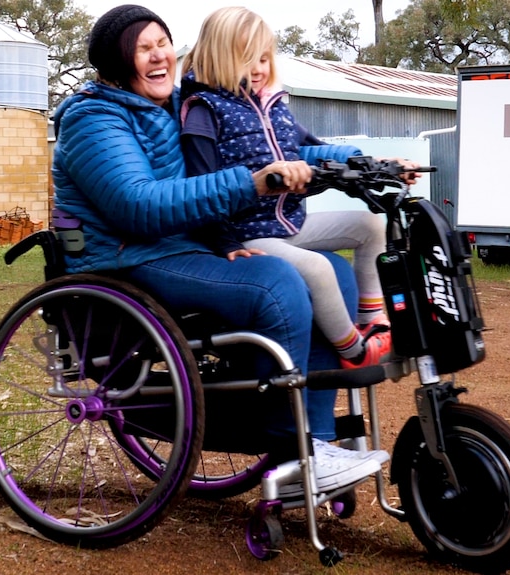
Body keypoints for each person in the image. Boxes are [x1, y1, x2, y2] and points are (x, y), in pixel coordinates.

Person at [51, 4, 387, 494]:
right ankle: (292, 446)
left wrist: (355, 162)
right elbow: (138, 206)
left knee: (332, 274)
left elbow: (277, 149)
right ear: (116, 63)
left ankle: (320, 443)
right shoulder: (93, 119)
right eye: (142, 49)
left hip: (193, 245)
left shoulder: (183, 102)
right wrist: (249, 185)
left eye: (162, 42)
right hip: (129, 258)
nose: (158, 55)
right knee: (276, 283)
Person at [178, 6, 417, 370]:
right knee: (319, 268)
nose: (258, 68)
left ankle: (372, 321)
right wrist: (224, 242)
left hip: (290, 222)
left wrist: (379, 165)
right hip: (249, 234)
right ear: (219, 56)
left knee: (371, 226)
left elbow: (316, 149)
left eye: (263, 57)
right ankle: (354, 351)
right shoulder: (203, 111)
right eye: (246, 59)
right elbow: (201, 185)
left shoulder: (273, 107)